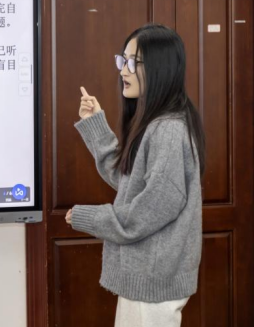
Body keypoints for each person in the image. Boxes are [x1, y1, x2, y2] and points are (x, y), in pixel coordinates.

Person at [66, 23, 205, 327]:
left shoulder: (168, 130)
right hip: (146, 280)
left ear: (160, 67)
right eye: (123, 60)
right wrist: (95, 125)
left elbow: (148, 212)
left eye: (133, 62)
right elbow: (129, 182)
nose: (123, 70)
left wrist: (90, 217)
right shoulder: (159, 123)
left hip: (152, 282)